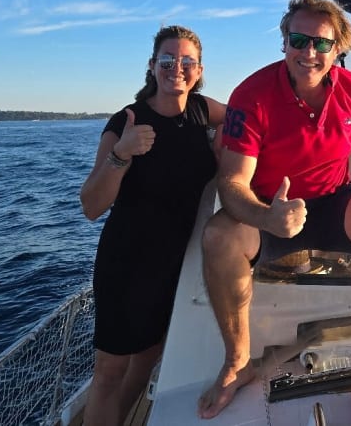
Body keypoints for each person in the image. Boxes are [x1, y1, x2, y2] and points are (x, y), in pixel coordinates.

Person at [197, 0, 351, 426]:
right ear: (284, 42)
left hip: (330, 202)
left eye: (321, 44)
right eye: (298, 40)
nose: (309, 52)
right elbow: (231, 182)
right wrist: (267, 216)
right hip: (268, 208)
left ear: (338, 49)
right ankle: (237, 361)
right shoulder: (251, 96)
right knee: (218, 236)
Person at [79, 25, 226, 426]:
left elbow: (248, 117)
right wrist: (122, 155)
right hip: (127, 261)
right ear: (152, 66)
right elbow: (91, 205)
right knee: (109, 373)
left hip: (174, 265)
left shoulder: (201, 111)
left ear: (198, 70)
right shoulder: (126, 120)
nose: (176, 68)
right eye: (167, 60)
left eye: (186, 62)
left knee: (145, 362)